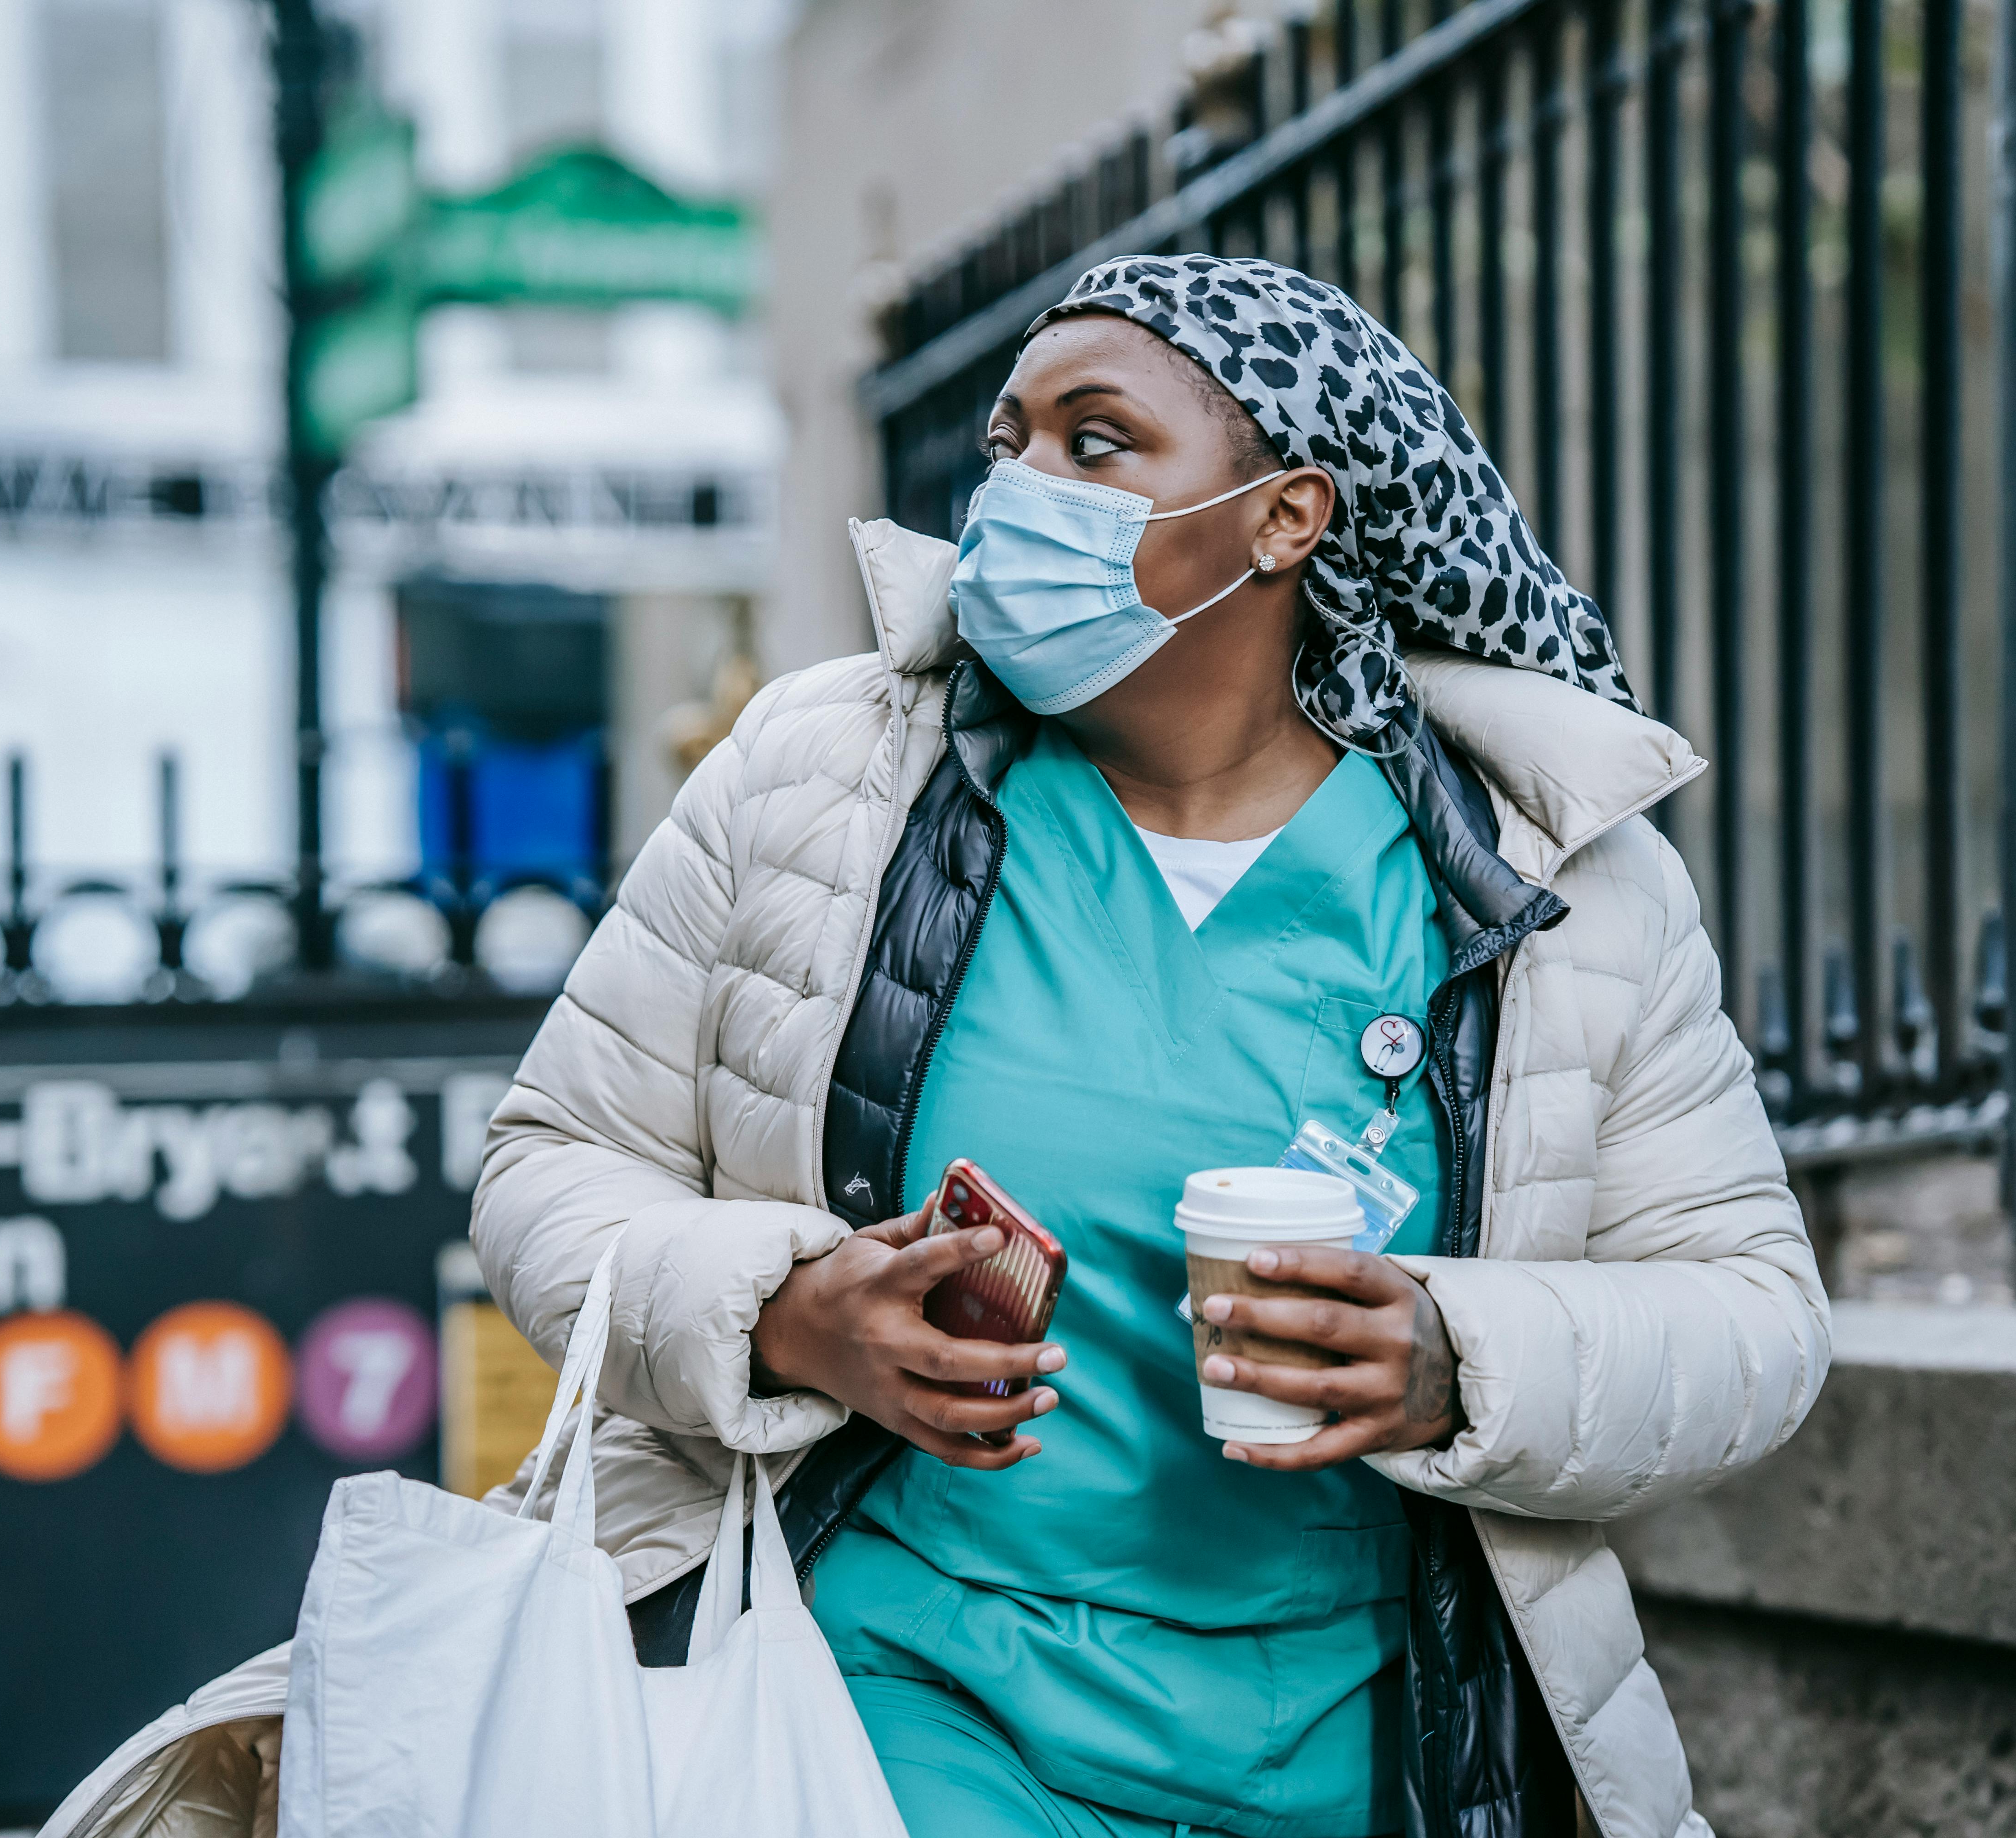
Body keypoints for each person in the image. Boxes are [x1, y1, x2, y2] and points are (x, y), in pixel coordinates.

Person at [473, 255, 1827, 1838]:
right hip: (896, 1702)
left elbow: (1753, 1318)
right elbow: (550, 1166)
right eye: (1008, 444)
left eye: (1097, 442)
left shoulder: (1559, 889)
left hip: (1368, 1743)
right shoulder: (819, 783)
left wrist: (1460, 1359)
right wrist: (785, 1316)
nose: (1020, 489)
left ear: (1285, 517)